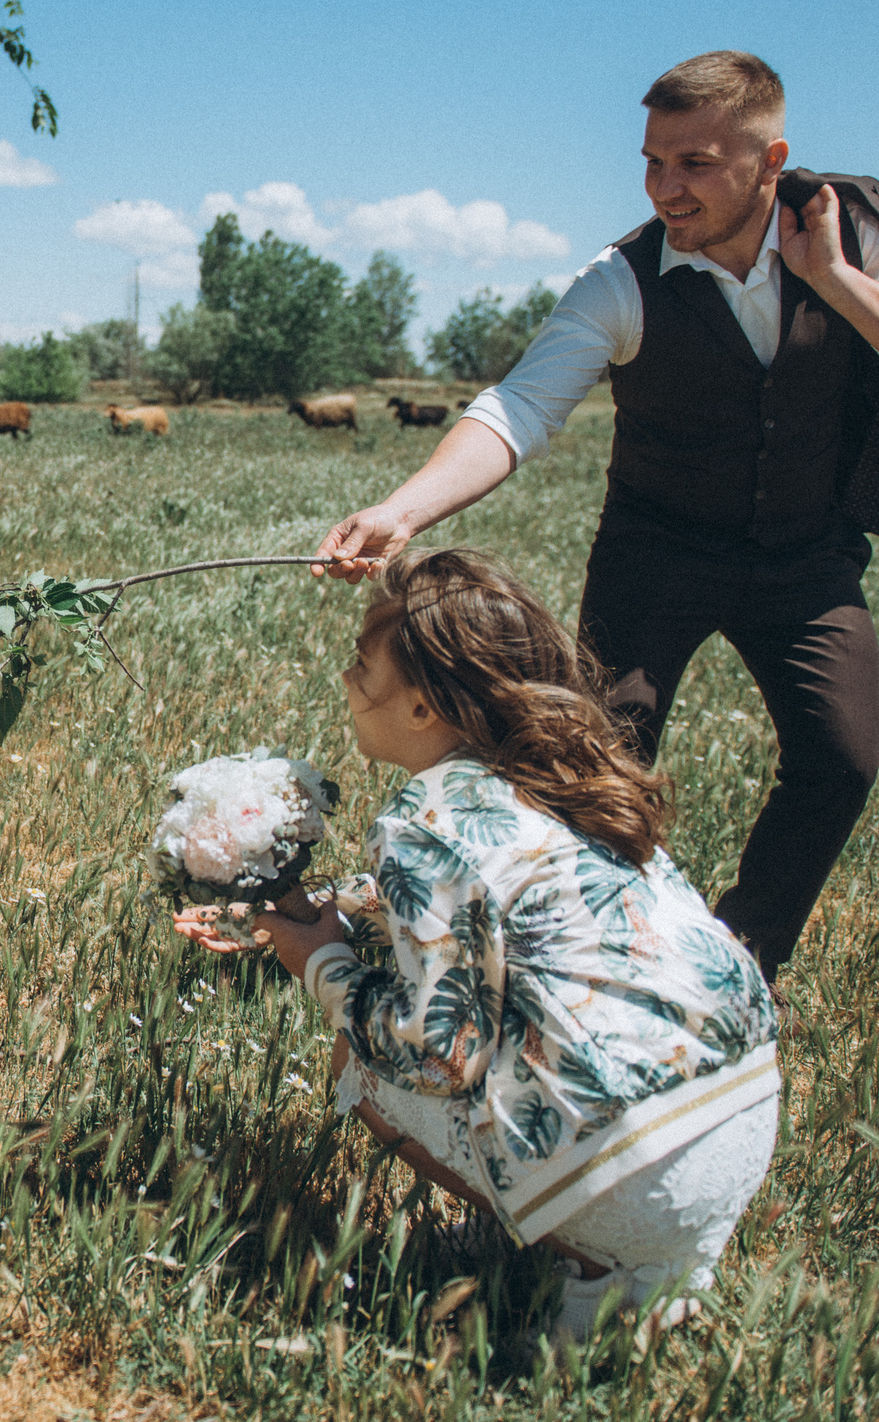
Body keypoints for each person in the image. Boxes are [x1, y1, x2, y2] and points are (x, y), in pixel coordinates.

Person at [315, 52, 879, 980]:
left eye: (697, 164)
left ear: (770, 159)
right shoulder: (622, 280)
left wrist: (831, 278)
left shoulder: (847, 232)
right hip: (658, 553)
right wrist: (402, 509)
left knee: (841, 758)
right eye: (652, 162)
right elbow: (519, 406)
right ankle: (569, 952)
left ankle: (737, 962)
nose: (667, 188)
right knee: (595, 756)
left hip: (806, 559)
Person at [178, 549, 781, 1346]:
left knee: (358, 1066)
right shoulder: (563, 769)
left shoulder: (417, 820)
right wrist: (332, 906)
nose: (348, 679)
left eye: (362, 663)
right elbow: (504, 906)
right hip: (743, 1117)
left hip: (642, 1175)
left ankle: (604, 1270)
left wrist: (321, 964)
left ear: (424, 707)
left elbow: (435, 1052)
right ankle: (631, 1250)